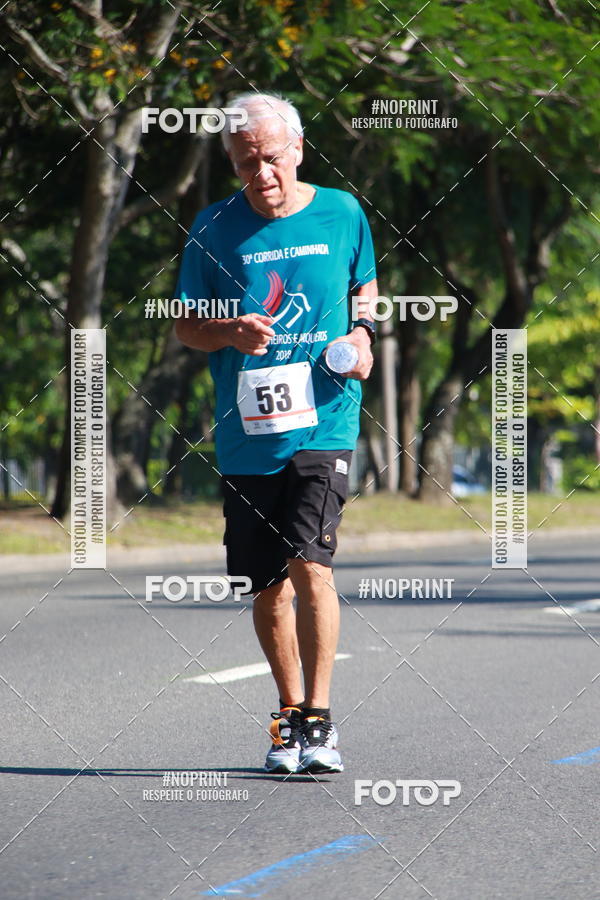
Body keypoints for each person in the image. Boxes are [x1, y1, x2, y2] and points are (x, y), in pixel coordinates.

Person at [175, 91, 378, 774]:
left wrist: (365, 333)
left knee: (312, 564)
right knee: (267, 584)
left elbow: (366, 286)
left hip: (326, 420)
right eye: (244, 164)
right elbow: (184, 326)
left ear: (297, 149)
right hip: (247, 432)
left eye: (270, 158)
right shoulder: (213, 228)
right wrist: (229, 331)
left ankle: (320, 722)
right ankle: (288, 718)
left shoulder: (342, 212)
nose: (261, 175)